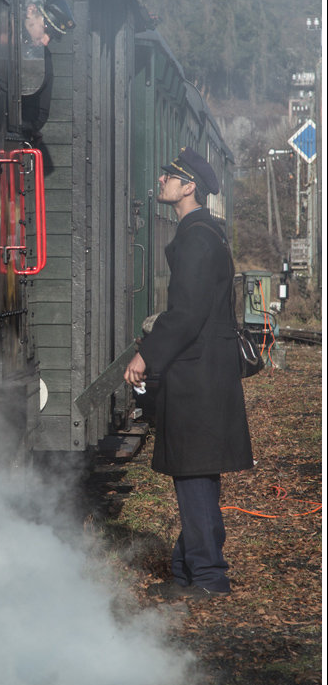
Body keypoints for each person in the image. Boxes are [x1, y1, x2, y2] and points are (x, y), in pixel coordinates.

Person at [124, 146, 253, 599]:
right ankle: (187, 573)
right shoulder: (203, 232)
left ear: (188, 187)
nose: (161, 181)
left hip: (198, 375)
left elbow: (186, 314)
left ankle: (209, 578)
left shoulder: (197, 238)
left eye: (170, 177)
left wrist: (146, 356)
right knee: (197, 475)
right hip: (206, 371)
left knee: (195, 474)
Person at [20, 0, 75, 143]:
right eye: (46, 30)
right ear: (31, 10)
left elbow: (40, 111)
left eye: (50, 37)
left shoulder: (44, 57)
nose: (45, 41)